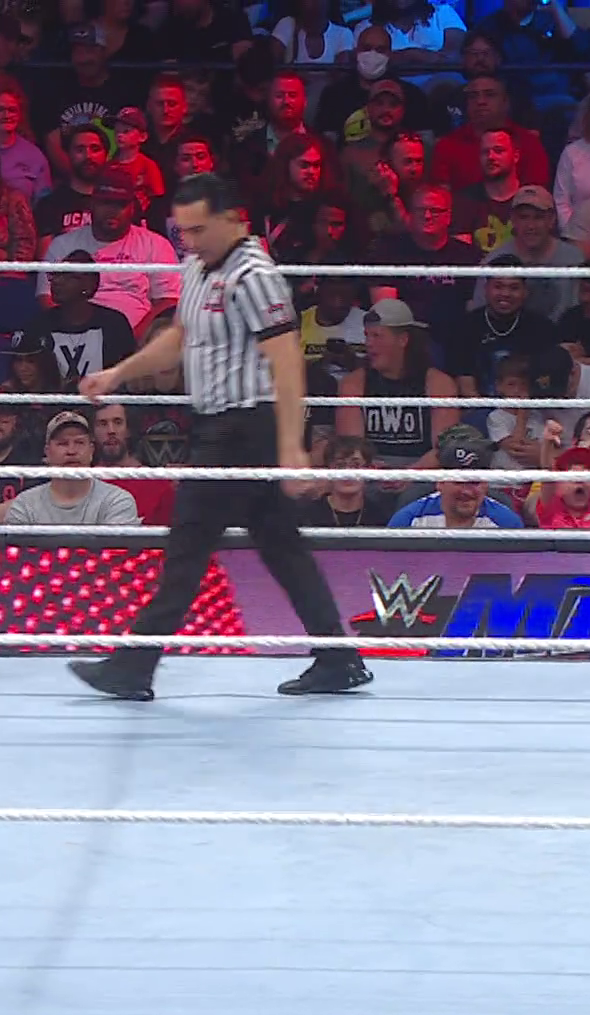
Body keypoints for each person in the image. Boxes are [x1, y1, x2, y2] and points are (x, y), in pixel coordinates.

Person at [70, 173, 370, 700]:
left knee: (188, 546)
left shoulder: (255, 275)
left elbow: (287, 362)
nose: (190, 241)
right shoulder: (195, 267)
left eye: (199, 229)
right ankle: (338, 657)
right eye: (183, 231)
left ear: (232, 220)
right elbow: (179, 340)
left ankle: (133, 666)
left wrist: (291, 448)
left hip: (244, 428)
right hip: (216, 424)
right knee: (281, 546)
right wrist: (117, 374)